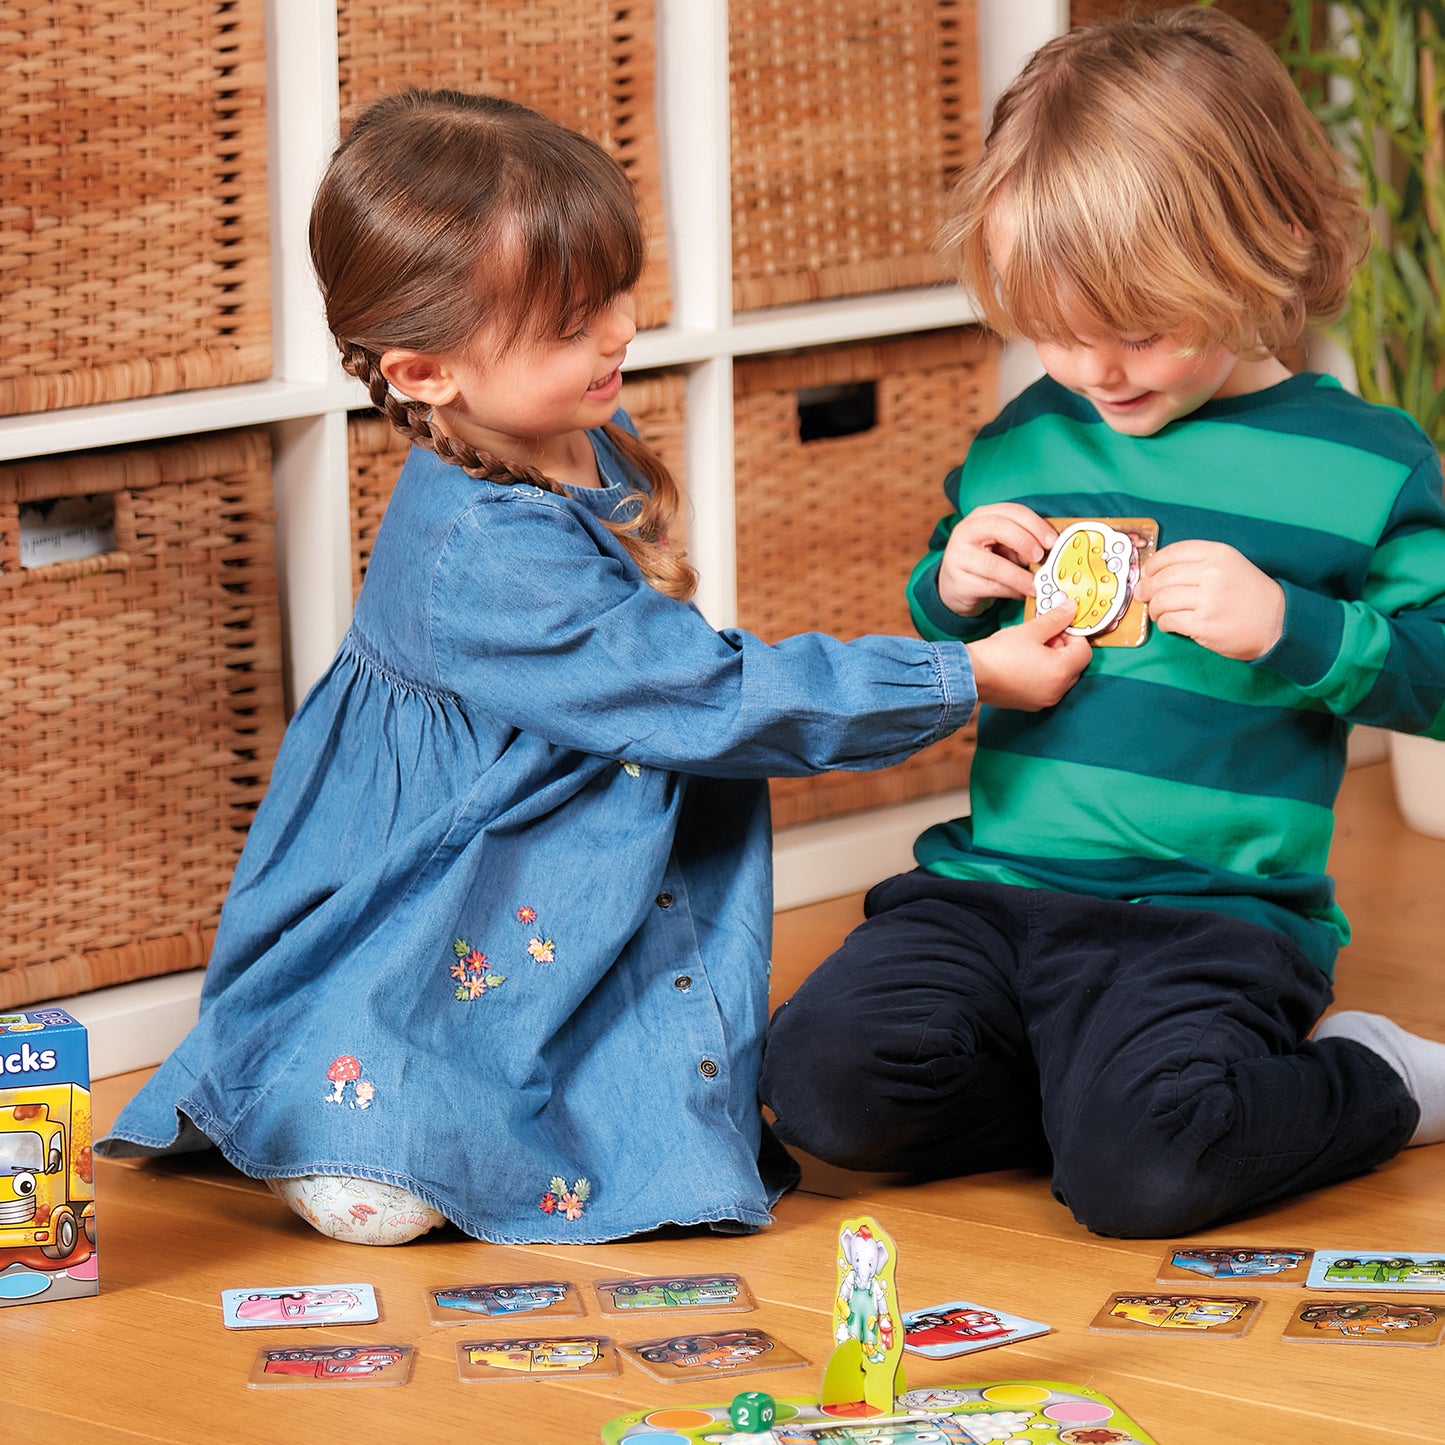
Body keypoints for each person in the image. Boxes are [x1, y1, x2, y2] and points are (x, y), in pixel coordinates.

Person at [95, 89, 1088, 1245]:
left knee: (586, 1048)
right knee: (407, 1104)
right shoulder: (484, 549)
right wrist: (962, 676)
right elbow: (709, 692)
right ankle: (351, 1117)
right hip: (462, 864)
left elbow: (672, 678)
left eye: (614, 290)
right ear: (424, 375)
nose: (618, 329)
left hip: (563, 846)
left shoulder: (566, 431)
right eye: (570, 322)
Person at [761, 7, 1445, 1239]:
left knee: (1148, 1178)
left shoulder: (1366, 463)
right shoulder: (1022, 434)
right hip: (993, 888)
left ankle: (1377, 1077)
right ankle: (1102, 1097)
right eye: (1054, 330)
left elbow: (1434, 674)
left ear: (1268, 245)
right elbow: (949, 611)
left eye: (1135, 328)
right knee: (820, 1089)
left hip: (1212, 916)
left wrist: (1296, 628)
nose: (1095, 370)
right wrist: (951, 586)